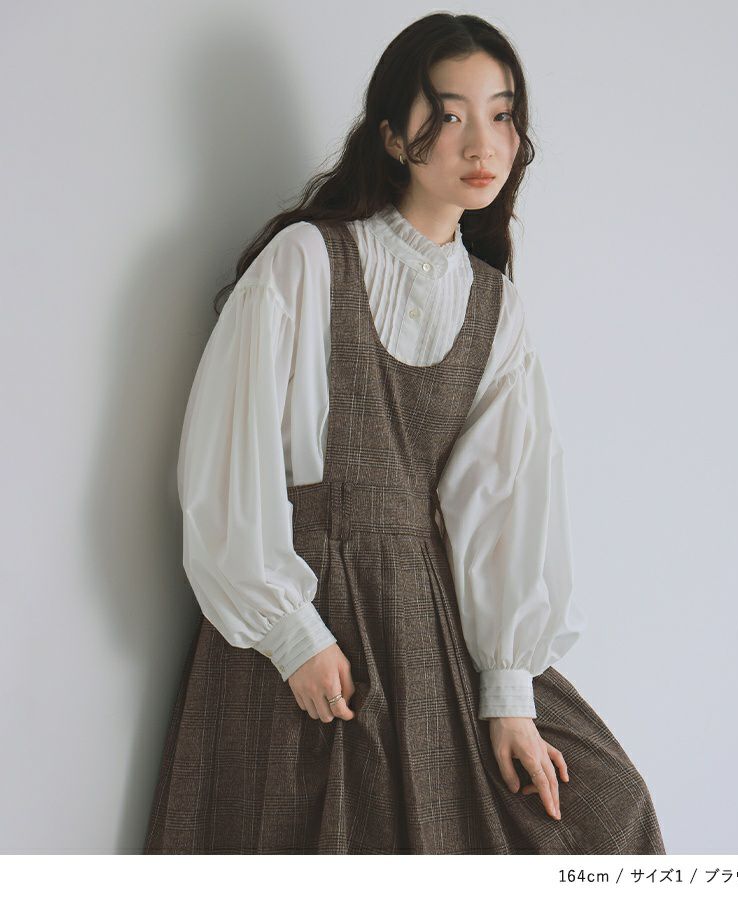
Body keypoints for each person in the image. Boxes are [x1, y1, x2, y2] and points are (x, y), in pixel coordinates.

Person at [144, 12, 665, 854]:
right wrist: (293, 635)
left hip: (427, 619)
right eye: (449, 114)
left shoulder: (494, 307)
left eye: (501, 114)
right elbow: (226, 463)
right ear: (392, 135)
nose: (481, 143)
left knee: (606, 810)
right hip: (304, 610)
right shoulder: (308, 261)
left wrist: (508, 696)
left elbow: (501, 504)